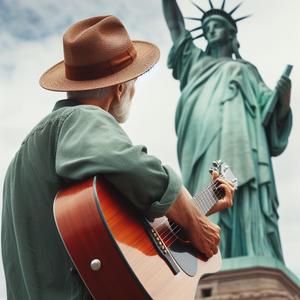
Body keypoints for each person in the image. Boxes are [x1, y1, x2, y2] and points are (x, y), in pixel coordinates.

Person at [1, 15, 234, 299]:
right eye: (133, 83)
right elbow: (138, 170)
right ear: (121, 88)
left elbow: (101, 234)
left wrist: (197, 209)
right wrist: (194, 221)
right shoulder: (80, 118)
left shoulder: (22, 163)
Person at [162, 0, 292, 261]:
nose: (210, 30)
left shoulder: (247, 70)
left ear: (232, 33)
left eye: (217, 26)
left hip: (242, 140)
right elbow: (176, 26)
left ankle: (249, 251)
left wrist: (284, 98)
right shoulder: (194, 62)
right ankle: (204, 256)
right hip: (201, 140)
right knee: (203, 191)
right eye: (207, 26)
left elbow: (271, 114)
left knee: (239, 186)